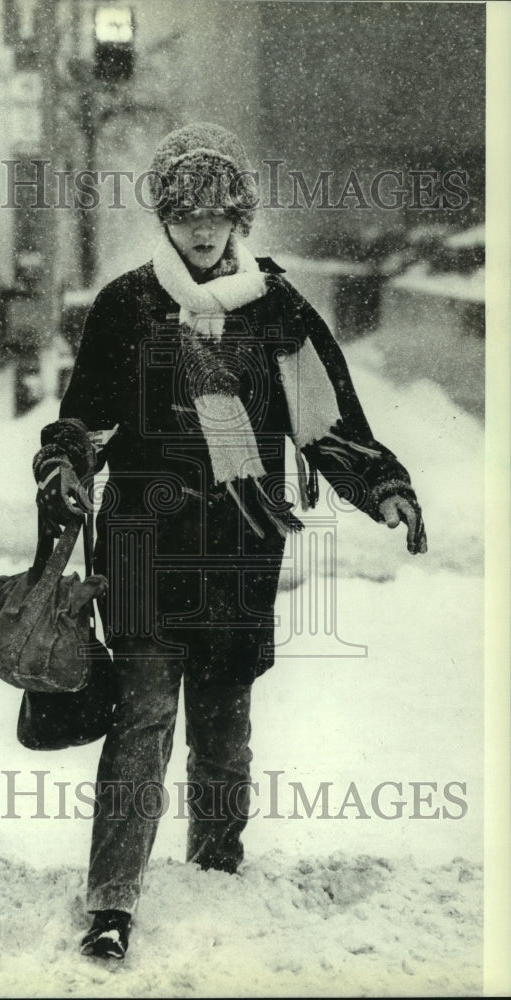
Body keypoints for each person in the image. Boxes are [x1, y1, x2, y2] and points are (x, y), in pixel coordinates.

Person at [31, 122, 427, 960]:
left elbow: (324, 421)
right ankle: (110, 902)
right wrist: (65, 463)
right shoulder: (127, 304)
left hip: (238, 548)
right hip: (140, 544)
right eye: (182, 213)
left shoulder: (277, 309)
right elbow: (85, 418)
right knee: (139, 721)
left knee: (222, 727)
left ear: (238, 215)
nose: (200, 229)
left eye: (214, 212)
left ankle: (215, 874)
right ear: (163, 217)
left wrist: (380, 485)